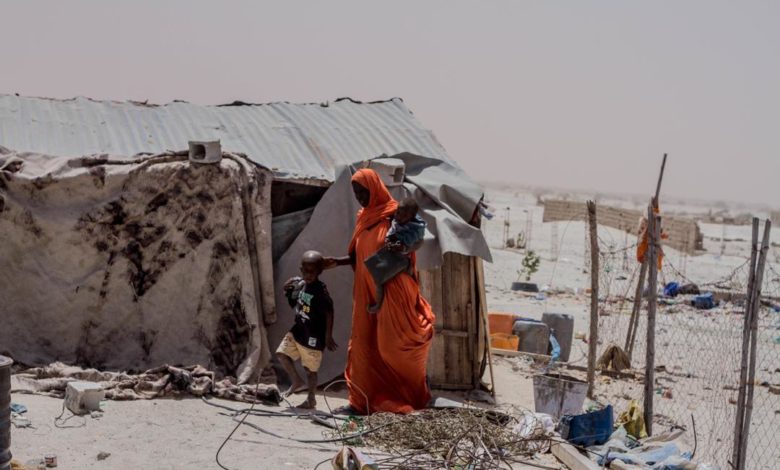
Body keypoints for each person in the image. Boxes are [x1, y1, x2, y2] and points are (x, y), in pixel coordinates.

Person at [324, 169, 435, 415]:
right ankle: (360, 402)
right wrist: (335, 262)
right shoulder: (364, 217)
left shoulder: (394, 216)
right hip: (366, 290)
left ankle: (410, 396)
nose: (360, 197)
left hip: (394, 288)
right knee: (363, 346)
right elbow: (360, 256)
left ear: (375, 188)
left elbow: (410, 249)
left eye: (363, 192)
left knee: (391, 347)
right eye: (356, 193)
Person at [276, 250, 337, 409]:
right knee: (282, 354)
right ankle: (296, 381)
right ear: (301, 269)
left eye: (312, 272)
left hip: (313, 336)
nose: (308, 275)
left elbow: (329, 311)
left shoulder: (320, 290)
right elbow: (295, 304)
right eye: (305, 271)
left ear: (319, 272)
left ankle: (311, 399)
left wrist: (328, 336)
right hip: (298, 330)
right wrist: (287, 291)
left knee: (310, 370)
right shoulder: (301, 285)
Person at [366, 197, 426, 313]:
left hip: (400, 258)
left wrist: (396, 245)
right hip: (393, 254)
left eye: (403, 216)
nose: (398, 216)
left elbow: (407, 243)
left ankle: (378, 305)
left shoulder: (414, 229)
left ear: (411, 218)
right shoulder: (397, 218)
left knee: (379, 280)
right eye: (397, 212)